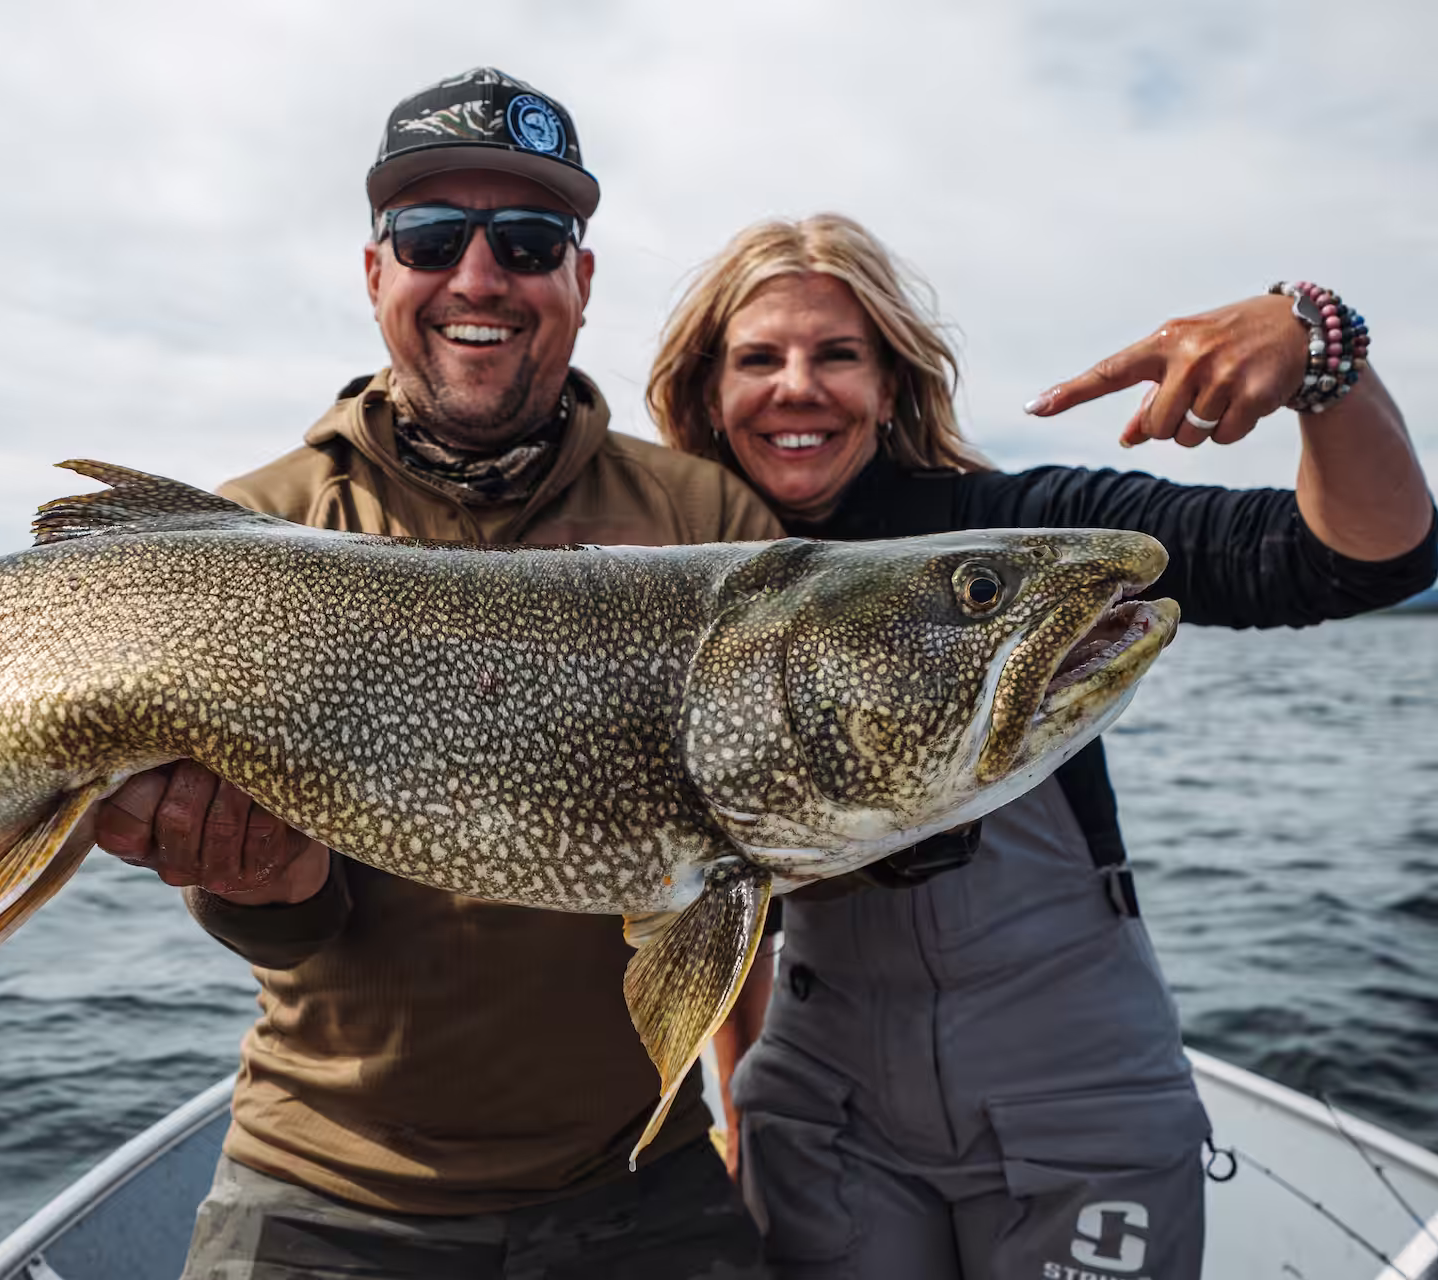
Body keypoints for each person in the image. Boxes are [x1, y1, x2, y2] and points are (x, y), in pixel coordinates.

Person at [648, 213, 1437, 1280]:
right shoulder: (689, 589)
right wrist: (741, 1100)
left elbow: (1355, 559)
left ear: (891, 384)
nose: (798, 385)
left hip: (1080, 1103)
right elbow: (713, 888)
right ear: (708, 393)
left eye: (838, 354)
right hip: (829, 1116)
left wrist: (1320, 356)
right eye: (758, 359)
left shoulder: (1017, 538)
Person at [94, 69, 782, 1279]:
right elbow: (286, 924)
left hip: (640, 1175)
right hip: (325, 1181)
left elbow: (744, 866)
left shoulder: (707, 520)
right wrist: (259, 884)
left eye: (527, 240)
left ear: (579, 280)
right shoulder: (256, 528)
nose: (478, 276)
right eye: (429, 236)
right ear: (377, 274)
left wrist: (749, 1113)